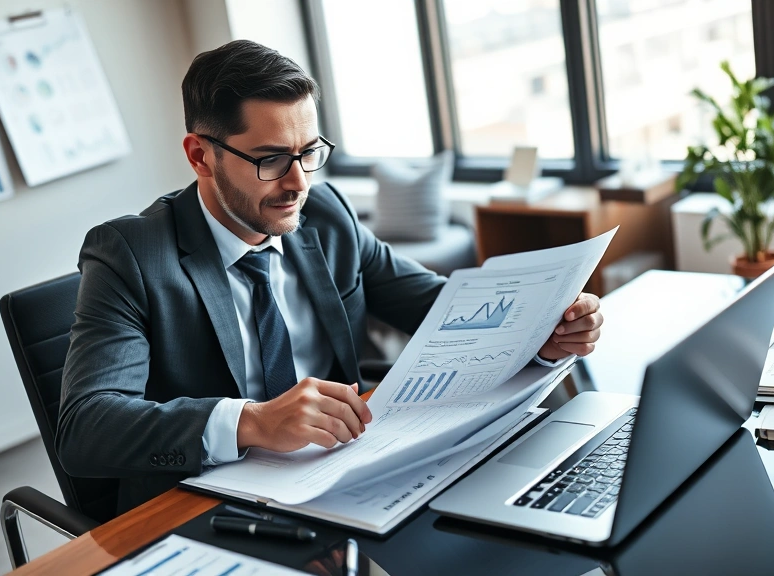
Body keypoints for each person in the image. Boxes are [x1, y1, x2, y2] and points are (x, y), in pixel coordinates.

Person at [57, 40, 603, 513]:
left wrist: (543, 330)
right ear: (201, 156)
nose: (298, 183)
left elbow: (442, 308)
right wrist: (252, 422)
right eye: (271, 159)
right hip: (208, 503)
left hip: (343, 472)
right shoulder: (129, 254)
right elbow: (86, 428)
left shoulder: (326, 216)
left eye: (308, 152)